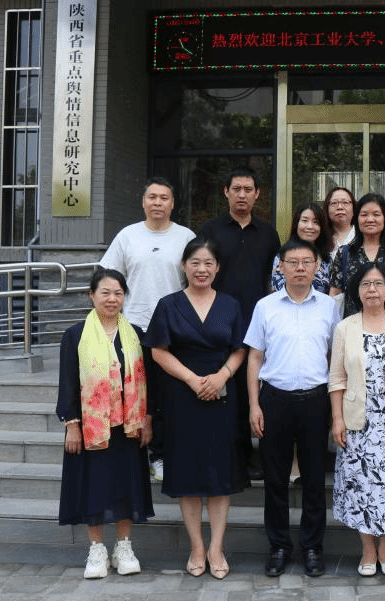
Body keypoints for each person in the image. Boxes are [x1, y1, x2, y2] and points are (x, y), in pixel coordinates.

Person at [144, 237, 246, 580]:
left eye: (208, 263)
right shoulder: (169, 304)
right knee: (187, 475)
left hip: (221, 395)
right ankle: (196, 547)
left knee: (218, 476)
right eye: (195, 263)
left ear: (217, 268)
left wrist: (221, 376)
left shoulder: (230, 305)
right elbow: (158, 351)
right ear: (184, 266)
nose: (202, 269)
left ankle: (216, 547)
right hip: (181, 396)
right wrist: (192, 379)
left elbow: (239, 349)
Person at [245, 239, 341, 578]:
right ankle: (279, 547)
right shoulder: (265, 306)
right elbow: (255, 357)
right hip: (275, 400)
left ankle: (312, 548)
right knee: (275, 480)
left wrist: (335, 407)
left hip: (315, 401)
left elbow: (335, 356)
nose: (300, 268)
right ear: (281, 267)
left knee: (314, 479)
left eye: (306, 262)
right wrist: (254, 405)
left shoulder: (329, 307)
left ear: (317, 267)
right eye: (293, 262)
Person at [57, 268, 153, 580]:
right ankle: (97, 549)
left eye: (118, 293)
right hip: (91, 428)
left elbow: (148, 382)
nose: (112, 299)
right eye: (105, 293)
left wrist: (147, 420)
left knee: (126, 485)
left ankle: (123, 547)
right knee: (93, 487)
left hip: (128, 426)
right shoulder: (75, 335)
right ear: (91, 295)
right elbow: (68, 382)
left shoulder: (135, 334)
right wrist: (72, 424)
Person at [99, 176, 196, 482]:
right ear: (143, 202)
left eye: (164, 198)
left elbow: (196, 280)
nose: (157, 203)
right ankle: (129, 455)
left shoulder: (186, 237)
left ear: (172, 203)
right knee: (130, 393)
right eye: (152, 197)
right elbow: (109, 279)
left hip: (173, 328)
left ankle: (161, 455)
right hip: (133, 326)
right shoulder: (127, 236)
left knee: (166, 395)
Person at [329, 263, 385, 577]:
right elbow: (336, 379)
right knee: (362, 488)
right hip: (358, 422)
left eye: (378, 283)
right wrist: (337, 418)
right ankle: (368, 550)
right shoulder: (345, 328)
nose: (372, 289)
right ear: (357, 291)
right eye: (366, 284)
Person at [198, 166, 281, 481]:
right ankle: (222, 455)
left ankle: (250, 457)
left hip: (258, 322)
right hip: (218, 320)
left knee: (252, 392)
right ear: (226, 192)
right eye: (236, 189)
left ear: (257, 194)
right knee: (223, 391)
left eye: (248, 189)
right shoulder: (210, 231)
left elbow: (274, 279)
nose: (242, 195)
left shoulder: (268, 233)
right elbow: (199, 273)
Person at [329, 193, 385, 318]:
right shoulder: (345, 253)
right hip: (353, 326)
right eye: (364, 215)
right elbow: (335, 293)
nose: (370, 219)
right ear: (357, 219)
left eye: (376, 214)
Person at [270, 202, 332, 294]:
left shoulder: (327, 259)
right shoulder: (283, 255)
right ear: (297, 224)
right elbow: (277, 290)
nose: (310, 226)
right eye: (305, 220)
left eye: (315, 222)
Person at [324, 186, 356, 258]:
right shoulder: (321, 237)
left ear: (353, 208)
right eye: (334, 203)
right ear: (327, 208)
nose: (340, 207)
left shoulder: (362, 235)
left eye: (345, 202)